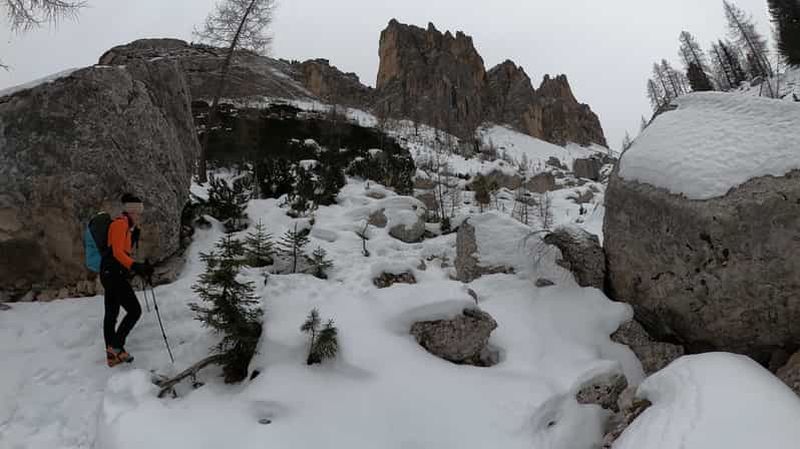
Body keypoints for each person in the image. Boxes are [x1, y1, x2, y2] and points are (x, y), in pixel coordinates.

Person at [101, 193, 154, 367]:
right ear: (130, 211)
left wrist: (134, 238)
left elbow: (125, 252)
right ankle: (116, 346)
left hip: (112, 273)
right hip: (113, 274)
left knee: (112, 313)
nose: (139, 215)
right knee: (134, 311)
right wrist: (135, 266)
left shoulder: (128, 228)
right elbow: (117, 253)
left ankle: (113, 353)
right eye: (137, 212)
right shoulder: (119, 224)